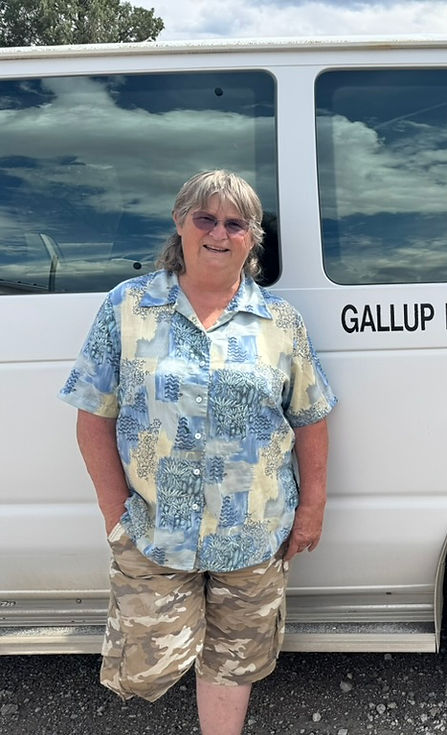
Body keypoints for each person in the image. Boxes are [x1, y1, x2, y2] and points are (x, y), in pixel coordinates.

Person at [59, 170, 337, 735]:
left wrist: (312, 508)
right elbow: (93, 419)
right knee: (146, 665)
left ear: (251, 237)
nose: (218, 232)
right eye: (205, 218)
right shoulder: (128, 307)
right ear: (180, 224)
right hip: (156, 530)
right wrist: (117, 520)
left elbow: (310, 417)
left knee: (234, 661)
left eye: (235, 223)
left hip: (255, 530)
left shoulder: (279, 321)